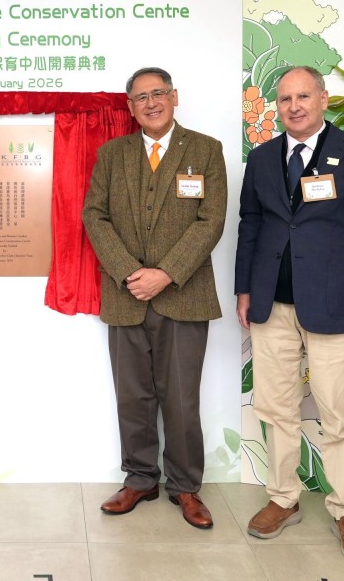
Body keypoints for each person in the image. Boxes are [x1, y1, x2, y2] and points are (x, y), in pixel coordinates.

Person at [235, 65, 344, 566]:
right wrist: (244, 289)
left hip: (336, 307)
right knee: (276, 408)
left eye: (303, 96)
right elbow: (250, 226)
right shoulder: (260, 159)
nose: (294, 106)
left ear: (324, 99)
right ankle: (283, 498)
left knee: (335, 414)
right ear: (276, 107)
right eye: (284, 99)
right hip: (271, 305)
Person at [82, 67, 227, 527]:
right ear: (130, 106)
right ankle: (141, 479)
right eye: (140, 97)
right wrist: (130, 273)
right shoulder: (111, 154)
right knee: (133, 396)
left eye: (158, 93)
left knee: (181, 399)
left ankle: (185, 487)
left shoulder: (205, 149)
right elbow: (95, 217)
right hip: (125, 296)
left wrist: (165, 274)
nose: (150, 102)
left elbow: (212, 220)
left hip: (184, 295)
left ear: (174, 96)